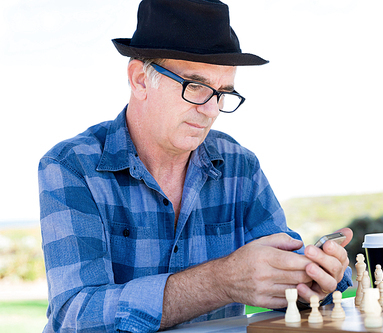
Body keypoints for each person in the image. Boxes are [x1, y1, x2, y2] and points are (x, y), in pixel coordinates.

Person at [38, 0, 353, 332]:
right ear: (140, 80)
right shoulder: (71, 167)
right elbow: (76, 315)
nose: (211, 110)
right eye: (197, 87)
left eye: (223, 93)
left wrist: (313, 276)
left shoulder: (239, 166)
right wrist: (220, 281)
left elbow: (282, 271)